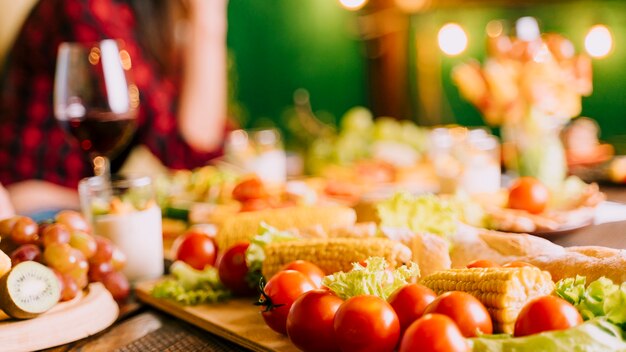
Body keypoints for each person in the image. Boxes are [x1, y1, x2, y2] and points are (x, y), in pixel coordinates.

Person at [0, 0, 230, 214]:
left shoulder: (143, 13)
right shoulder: (88, 7)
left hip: (78, 201)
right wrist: (208, 17)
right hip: (36, 210)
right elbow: (183, 150)